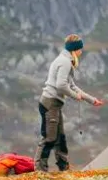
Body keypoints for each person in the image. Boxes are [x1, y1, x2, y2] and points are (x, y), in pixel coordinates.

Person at [34, 34, 104, 172]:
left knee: (60, 138)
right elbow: (61, 85)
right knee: (49, 137)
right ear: (74, 49)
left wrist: (91, 100)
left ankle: (64, 168)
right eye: (80, 49)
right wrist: (75, 96)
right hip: (50, 103)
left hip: (53, 104)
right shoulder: (65, 62)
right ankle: (39, 170)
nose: (81, 51)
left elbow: (71, 85)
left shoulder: (65, 60)